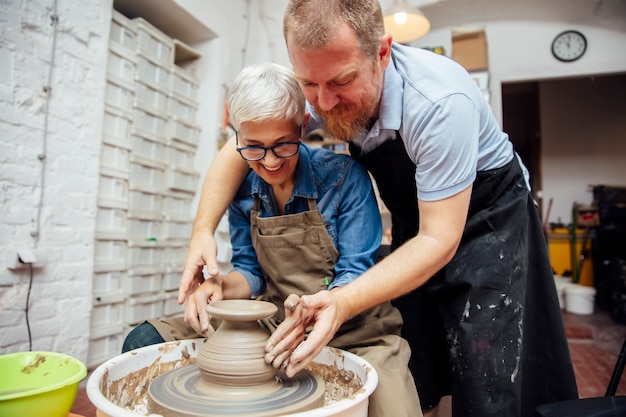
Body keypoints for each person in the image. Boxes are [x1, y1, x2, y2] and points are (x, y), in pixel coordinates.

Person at [177, 1, 579, 416]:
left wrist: (343, 301)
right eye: (310, 85)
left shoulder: (438, 103)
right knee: (420, 359)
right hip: (419, 223)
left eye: (341, 81)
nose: (324, 104)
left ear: (382, 52)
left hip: (491, 222)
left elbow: (440, 239)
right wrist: (202, 232)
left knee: (489, 372)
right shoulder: (322, 79)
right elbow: (239, 149)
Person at [124, 62, 422, 417]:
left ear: (301, 128)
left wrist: (319, 307)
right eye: (253, 147)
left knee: (393, 409)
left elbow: (356, 270)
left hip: (356, 327)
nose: (269, 162)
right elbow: (250, 272)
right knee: (143, 343)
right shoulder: (243, 192)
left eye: (282, 145)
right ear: (237, 137)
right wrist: (216, 286)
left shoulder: (344, 178)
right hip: (279, 322)